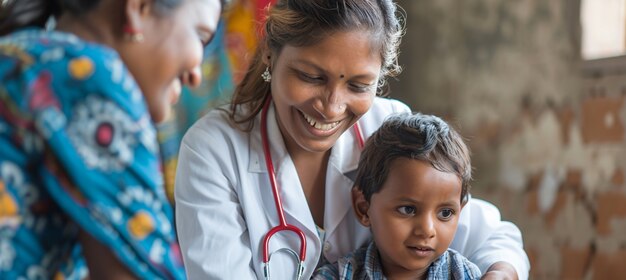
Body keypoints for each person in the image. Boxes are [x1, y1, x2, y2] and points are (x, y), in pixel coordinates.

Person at [174, 0, 530, 279]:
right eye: (310, 76)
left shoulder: (389, 126)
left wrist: (500, 271)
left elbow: (490, 237)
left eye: (359, 86)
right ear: (270, 51)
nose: (331, 106)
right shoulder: (214, 150)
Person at [0, 0, 222, 278]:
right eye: (200, 37)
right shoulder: (86, 75)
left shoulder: (22, 54)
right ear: (138, 8)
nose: (196, 75)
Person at [312, 113, 482, 280]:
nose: (427, 230)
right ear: (363, 207)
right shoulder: (339, 276)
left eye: (445, 213)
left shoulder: (464, 274)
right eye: (408, 209)